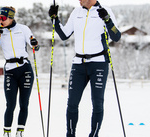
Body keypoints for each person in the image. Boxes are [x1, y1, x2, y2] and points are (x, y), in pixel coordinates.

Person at [48, 0, 121, 136]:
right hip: (79, 63)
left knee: (97, 102)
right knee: (72, 103)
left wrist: (107, 20)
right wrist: (55, 19)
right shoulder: (76, 12)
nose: (78, 0)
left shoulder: (105, 10)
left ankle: (94, 134)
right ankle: (70, 134)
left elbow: (116, 36)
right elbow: (64, 35)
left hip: (99, 62)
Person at [0, 6, 40, 137]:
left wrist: (35, 43)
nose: (1, 20)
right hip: (10, 71)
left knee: (24, 103)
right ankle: (6, 133)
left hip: (25, 69)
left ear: (11, 18)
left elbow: (36, 46)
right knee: (10, 104)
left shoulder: (23, 29)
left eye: (3, 18)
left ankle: (20, 132)